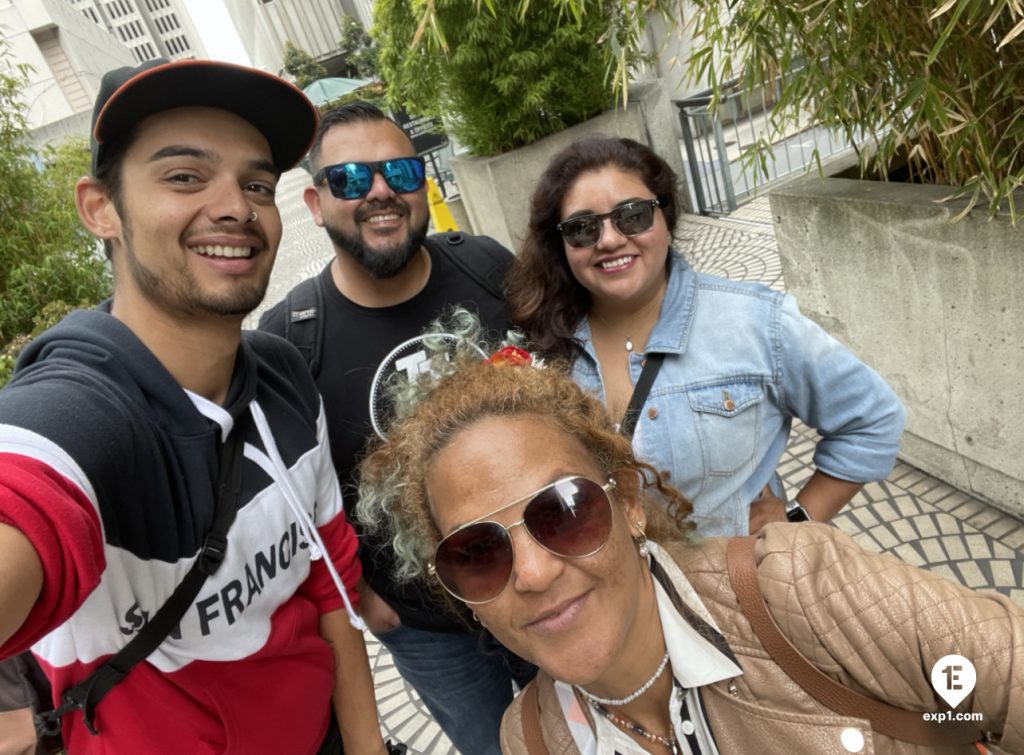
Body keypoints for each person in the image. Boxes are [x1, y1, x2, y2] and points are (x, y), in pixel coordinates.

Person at [356, 342, 1024, 754]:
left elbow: (1000, 681)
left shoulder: (795, 590)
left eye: (564, 511)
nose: (532, 571)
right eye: (478, 553)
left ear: (627, 503)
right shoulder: (528, 739)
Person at [0, 58, 388, 754]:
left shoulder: (284, 375)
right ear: (101, 208)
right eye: (184, 175)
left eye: (257, 183)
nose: (236, 205)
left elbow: (331, 596)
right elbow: (28, 487)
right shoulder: (84, 411)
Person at [258, 101, 534, 754]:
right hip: (426, 626)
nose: (380, 191)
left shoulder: (485, 266)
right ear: (315, 201)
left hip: (537, 577)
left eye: (400, 171)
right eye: (351, 178)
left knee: (592, 723)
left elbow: (559, 382)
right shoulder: (289, 342)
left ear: (423, 183)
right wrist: (359, 593)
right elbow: (290, 499)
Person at [505, 137, 906, 537]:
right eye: (582, 227)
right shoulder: (541, 348)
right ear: (560, 244)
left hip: (733, 590)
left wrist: (797, 517)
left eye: (632, 215)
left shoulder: (755, 320)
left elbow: (874, 418)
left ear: (666, 217)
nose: (609, 239)